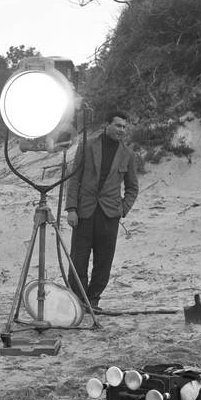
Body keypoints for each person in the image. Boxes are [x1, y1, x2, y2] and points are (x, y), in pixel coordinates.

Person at [64, 111, 139, 312]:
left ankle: (93, 300)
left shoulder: (128, 155)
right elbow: (74, 178)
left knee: (103, 261)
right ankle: (79, 301)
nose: (121, 130)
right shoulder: (87, 145)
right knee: (78, 259)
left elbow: (132, 187)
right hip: (84, 212)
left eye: (124, 127)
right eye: (117, 125)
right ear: (107, 125)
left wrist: (122, 209)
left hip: (109, 215)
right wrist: (71, 208)